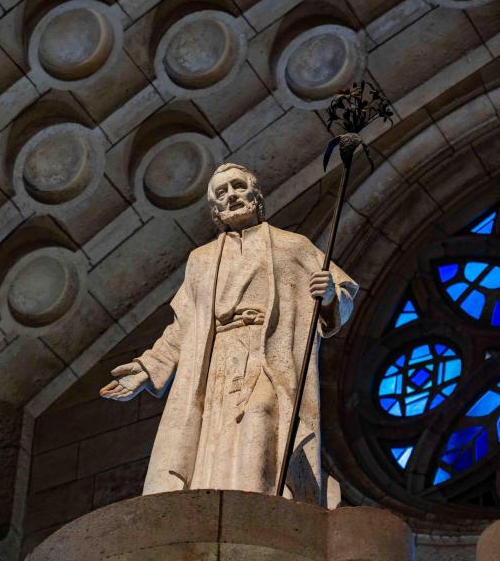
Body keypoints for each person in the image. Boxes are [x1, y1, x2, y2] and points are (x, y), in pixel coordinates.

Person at [99, 163, 358, 504]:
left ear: (256, 195)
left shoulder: (292, 246)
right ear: (215, 210)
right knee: (214, 435)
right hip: (217, 358)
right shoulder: (201, 260)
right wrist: (148, 368)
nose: (231, 196)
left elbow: (341, 292)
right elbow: (185, 325)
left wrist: (329, 296)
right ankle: (217, 506)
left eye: (238, 186)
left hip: (268, 352)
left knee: (262, 414)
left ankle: (257, 505)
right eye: (221, 193)